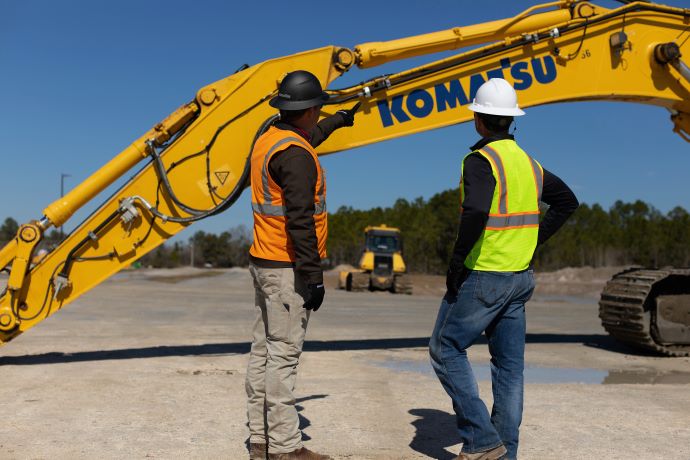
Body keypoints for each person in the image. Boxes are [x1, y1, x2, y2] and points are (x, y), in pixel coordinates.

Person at [429, 78, 578, 460]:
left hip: (485, 274)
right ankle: (505, 452)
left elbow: (477, 210)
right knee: (509, 369)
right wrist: (532, 241)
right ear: (511, 121)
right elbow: (567, 203)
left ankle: (482, 439)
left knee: (445, 348)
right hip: (519, 279)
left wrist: (456, 262)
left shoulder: (480, 161)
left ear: (478, 119)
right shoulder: (530, 165)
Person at [246, 70, 360, 460]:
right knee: (283, 354)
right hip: (286, 266)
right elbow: (300, 219)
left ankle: (259, 438)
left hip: (263, 260)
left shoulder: (271, 140)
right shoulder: (296, 156)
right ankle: (284, 448)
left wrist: (338, 121)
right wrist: (313, 276)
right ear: (309, 108)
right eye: (320, 109)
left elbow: (308, 136)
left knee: (263, 350)